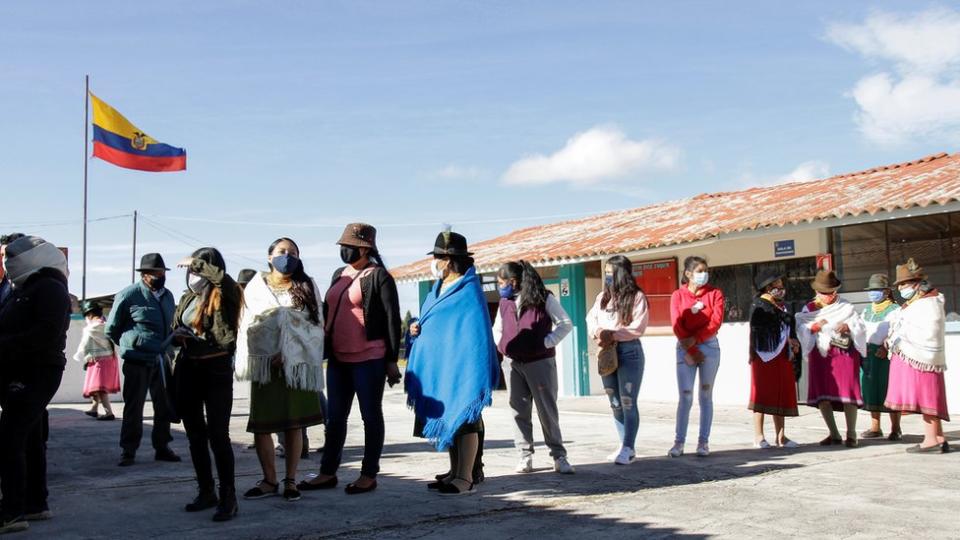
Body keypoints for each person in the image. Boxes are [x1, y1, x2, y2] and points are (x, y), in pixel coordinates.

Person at [300, 224, 401, 495]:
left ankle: (369, 474)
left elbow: (393, 319)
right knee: (335, 418)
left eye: (350, 245)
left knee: (370, 415)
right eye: (342, 245)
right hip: (338, 358)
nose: (344, 250)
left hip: (369, 357)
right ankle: (327, 471)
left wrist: (391, 360)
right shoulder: (339, 275)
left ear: (365, 247)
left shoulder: (379, 276)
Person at [405, 230, 499, 495]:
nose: (433, 261)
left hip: (462, 366)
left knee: (464, 419)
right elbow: (431, 322)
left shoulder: (468, 291)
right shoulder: (436, 288)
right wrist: (414, 329)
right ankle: (454, 470)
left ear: (448, 259)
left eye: (437, 256)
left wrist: (472, 368)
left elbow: (474, 334)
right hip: (439, 367)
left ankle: (466, 477)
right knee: (447, 418)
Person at [235, 238, 325, 502]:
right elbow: (249, 324)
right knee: (262, 426)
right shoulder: (255, 287)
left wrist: (289, 352)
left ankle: (290, 480)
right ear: (269, 256)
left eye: (293, 252)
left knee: (293, 425)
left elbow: (315, 325)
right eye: (282, 252)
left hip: (296, 365)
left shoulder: (307, 286)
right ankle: (269, 479)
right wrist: (267, 353)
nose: (287, 256)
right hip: (266, 365)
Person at [0, 236, 70, 534]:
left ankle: (12, 512)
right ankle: (33, 504)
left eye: (11, 256)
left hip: (36, 372)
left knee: (9, 440)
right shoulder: (25, 288)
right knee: (28, 439)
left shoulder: (49, 288)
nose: (7, 261)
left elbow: (46, 334)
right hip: (23, 372)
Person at [171, 249, 242, 521]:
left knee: (218, 436)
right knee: (195, 435)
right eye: (192, 269)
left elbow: (223, 281)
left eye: (198, 269)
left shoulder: (226, 292)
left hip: (216, 368)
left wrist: (197, 263)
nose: (193, 273)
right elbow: (176, 326)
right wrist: (177, 334)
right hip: (189, 367)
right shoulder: (188, 297)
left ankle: (228, 496)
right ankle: (206, 491)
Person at [492, 261, 574, 474]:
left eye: (502, 282)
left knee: (546, 410)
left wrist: (545, 343)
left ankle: (559, 455)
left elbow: (565, 323)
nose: (500, 286)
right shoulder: (504, 302)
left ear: (514, 281)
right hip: (512, 363)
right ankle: (524, 456)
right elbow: (497, 329)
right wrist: (503, 346)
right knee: (518, 410)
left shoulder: (544, 298)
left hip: (540, 363)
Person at [105, 253, 180, 467]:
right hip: (137, 360)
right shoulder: (129, 295)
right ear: (144, 275)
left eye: (161, 272)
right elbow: (111, 328)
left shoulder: (168, 296)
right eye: (154, 273)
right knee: (134, 406)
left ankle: (162, 446)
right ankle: (128, 450)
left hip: (162, 358)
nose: (159, 275)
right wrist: (131, 344)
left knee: (164, 405)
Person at [586, 255, 649, 465]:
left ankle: (629, 447)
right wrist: (598, 332)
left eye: (610, 272)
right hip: (607, 352)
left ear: (622, 272)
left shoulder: (637, 297)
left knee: (628, 401)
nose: (607, 276)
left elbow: (637, 327)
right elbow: (591, 318)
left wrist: (611, 334)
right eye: (605, 272)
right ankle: (623, 444)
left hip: (629, 351)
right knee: (614, 402)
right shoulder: (602, 297)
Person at [884, 259, 951, 453]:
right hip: (919, 358)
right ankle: (937, 437)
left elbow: (928, 330)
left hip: (922, 358)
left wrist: (901, 337)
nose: (901, 288)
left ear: (917, 282)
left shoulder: (929, 303)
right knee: (927, 396)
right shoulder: (916, 303)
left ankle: (931, 439)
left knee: (928, 396)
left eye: (904, 283)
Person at [795, 270, 867, 448]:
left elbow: (860, 326)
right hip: (820, 355)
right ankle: (834, 434)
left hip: (844, 353)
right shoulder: (809, 309)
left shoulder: (846, 307)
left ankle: (851, 434)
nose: (827, 296)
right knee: (823, 395)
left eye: (830, 292)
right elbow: (801, 327)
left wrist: (848, 326)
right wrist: (813, 327)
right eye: (824, 293)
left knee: (848, 392)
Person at [668, 256, 724, 457]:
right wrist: (691, 349)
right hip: (685, 347)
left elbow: (715, 321)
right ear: (688, 274)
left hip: (709, 346)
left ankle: (703, 442)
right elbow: (677, 324)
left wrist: (698, 340)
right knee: (685, 396)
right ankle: (679, 442)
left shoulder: (715, 293)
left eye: (705, 270)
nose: (703, 274)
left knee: (705, 396)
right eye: (699, 271)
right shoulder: (678, 295)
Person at [747, 272, 801, 449]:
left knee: (780, 393)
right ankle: (759, 436)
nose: (781, 288)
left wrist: (793, 340)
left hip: (782, 355)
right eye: (777, 285)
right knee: (762, 394)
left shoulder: (781, 307)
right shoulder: (759, 305)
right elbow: (760, 329)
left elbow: (788, 326)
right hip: (764, 356)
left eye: (781, 284)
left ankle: (781, 436)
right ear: (767, 288)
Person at [859, 273, 902, 441]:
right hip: (868, 354)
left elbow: (898, 331)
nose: (873, 293)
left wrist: (886, 346)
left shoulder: (895, 310)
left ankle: (895, 428)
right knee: (870, 390)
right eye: (871, 290)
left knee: (888, 390)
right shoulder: (867, 310)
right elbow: (861, 330)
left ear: (886, 291)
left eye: (876, 290)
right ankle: (875, 427)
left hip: (885, 355)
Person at [73, 301, 120, 421]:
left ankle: (108, 413)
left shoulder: (91, 328)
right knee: (96, 387)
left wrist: (81, 356)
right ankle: (94, 409)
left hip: (99, 361)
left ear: (89, 315)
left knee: (100, 388)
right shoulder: (106, 324)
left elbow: (84, 345)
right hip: (107, 359)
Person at [0, 233, 26, 310]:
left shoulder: (32, 285)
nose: (4, 259)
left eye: (8, 254)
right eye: (2, 255)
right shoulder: (4, 284)